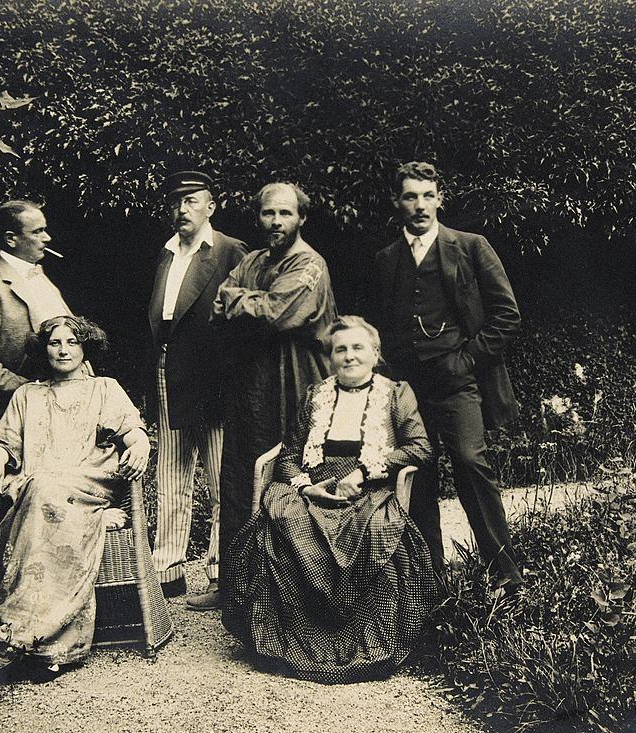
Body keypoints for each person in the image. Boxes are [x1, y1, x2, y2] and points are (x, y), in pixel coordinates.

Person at [221, 316, 437, 682]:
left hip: (369, 489)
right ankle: (290, 636)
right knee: (283, 516)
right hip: (316, 484)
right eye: (341, 350)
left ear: (375, 353)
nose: (349, 357)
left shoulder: (396, 394)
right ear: (331, 357)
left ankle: (359, 634)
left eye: (357, 348)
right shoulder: (316, 395)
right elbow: (289, 455)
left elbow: (420, 448)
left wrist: (366, 471)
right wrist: (306, 487)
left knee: (374, 529)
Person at [370, 161, 523, 595]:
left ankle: (505, 575)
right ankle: (430, 580)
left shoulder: (471, 246)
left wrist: (468, 359)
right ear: (397, 202)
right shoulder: (386, 259)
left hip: (458, 383)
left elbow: (507, 315)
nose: (419, 206)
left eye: (427, 195)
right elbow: (382, 325)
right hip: (409, 391)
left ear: (440, 198)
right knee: (416, 475)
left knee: (472, 464)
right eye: (410, 196)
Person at [0, 315, 151, 677]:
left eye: (72, 342)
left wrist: (141, 444)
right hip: (40, 489)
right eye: (55, 343)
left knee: (43, 488)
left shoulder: (104, 388)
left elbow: (131, 429)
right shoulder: (28, 395)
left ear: (85, 347)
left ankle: (10, 629)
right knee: (41, 488)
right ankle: (48, 648)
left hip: (87, 482)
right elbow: (4, 442)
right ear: (45, 350)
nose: (63, 350)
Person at [206, 182, 338, 611]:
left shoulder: (310, 264)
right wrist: (245, 302)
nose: (275, 222)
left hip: (296, 382)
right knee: (240, 476)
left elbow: (280, 314)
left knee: (289, 475)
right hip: (249, 383)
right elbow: (218, 302)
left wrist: (241, 303)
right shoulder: (252, 260)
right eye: (268, 214)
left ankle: (290, 592)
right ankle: (233, 587)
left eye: (284, 213)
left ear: (301, 218)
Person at [147, 170, 248, 601]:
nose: (182, 209)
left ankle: (222, 572)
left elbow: (243, 324)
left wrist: (232, 378)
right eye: (175, 202)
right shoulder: (166, 256)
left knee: (221, 476)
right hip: (170, 370)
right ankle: (167, 570)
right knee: (170, 475)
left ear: (211, 205)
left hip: (214, 378)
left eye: (191, 201)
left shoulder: (229, 252)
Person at [0, 200, 78, 437]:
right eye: (37, 232)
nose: (47, 238)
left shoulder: (40, 277)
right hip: (13, 423)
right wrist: (32, 390)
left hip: (60, 414)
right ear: (11, 239)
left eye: (45, 229)